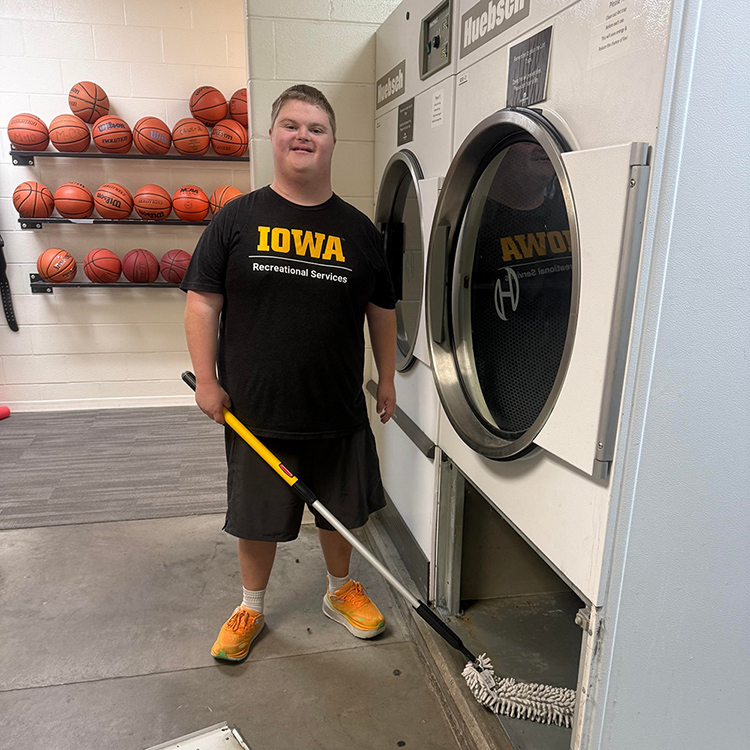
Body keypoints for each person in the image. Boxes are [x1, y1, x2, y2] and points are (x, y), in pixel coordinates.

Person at [181, 85, 397, 662]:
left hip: (337, 407)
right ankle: (251, 605)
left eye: (317, 128)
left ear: (332, 142)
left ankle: (339, 591)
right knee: (256, 519)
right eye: (292, 125)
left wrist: (390, 379)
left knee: (340, 512)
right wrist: (207, 379)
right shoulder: (236, 220)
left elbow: (382, 309)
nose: (304, 135)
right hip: (255, 408)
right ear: (273, 136)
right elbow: (202, 302)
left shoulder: (358, 231)